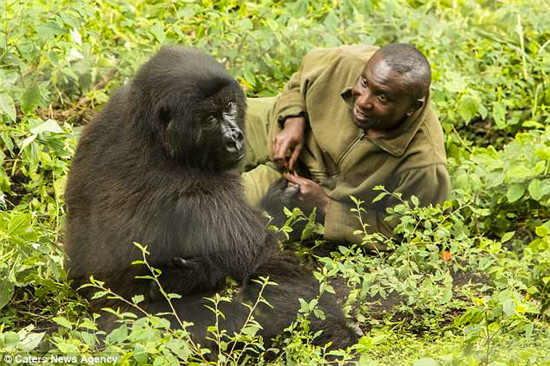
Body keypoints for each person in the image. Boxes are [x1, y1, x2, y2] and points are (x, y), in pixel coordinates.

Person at [240, 44, 450, 245]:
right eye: (364, 83)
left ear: (412, 107)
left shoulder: (424, 165)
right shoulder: (349, 61)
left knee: (221, 215)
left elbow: (401, 232)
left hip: (299, 187)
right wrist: (293, 118)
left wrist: (324, 205)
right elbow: (300, 80)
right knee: (213, 120)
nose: (362, 101)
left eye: (382, 97)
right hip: (279, 124)